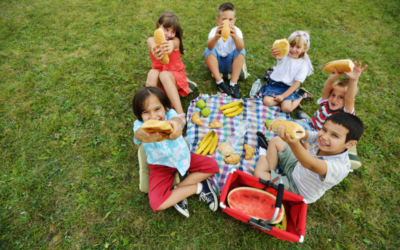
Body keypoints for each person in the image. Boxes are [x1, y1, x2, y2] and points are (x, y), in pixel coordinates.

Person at [132, 86, 219, 218]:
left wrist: (176, 126)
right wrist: (141, 134)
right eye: (146, 112)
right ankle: (198, 188)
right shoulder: (139, 126)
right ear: (139, 115)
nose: (153, 116)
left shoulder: (170, 115)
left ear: (165, 107)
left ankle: (177, 191)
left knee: (213, 166)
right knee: (156, 203)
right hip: (160, 166)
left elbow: (177, 121)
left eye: (157, 109)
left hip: (183, 158)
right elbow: (138, 135)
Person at [254, 112, 364, 203]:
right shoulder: (320, 138)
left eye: (334, 135)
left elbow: (311, 164)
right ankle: (271, 172)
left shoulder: (339, 167)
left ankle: (263, 150)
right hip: (295, 168)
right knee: (276, 141)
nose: (324, 137)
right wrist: (282, 125)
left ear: (350, 144)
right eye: (324, 130)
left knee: (259, 174)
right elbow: (301, 133)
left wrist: (294, 143)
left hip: (297, 190)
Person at [294, 62, 368, 131]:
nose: (334, 99)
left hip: (319, 138)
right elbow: (325, 91)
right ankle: (306, 120)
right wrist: (331, 78)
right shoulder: (327, 101)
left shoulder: (345, 113)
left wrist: (354, 80)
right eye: (333, 94)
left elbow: (349, 98)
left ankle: (305, 120)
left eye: (341, 97)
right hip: (311, 125)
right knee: (285, 122)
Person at [146, 11, 188, 124]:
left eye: (173, 31)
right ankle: (149, 109)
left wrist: (169, 45)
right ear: (158, 26)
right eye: (166, 29)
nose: (169, 34)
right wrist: (155, 50)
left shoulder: (175, 41)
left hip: (174, 78)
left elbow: (173, 44)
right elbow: (152, 45)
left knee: (164, 75)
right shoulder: (151, 40)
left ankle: (180, 115)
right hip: (159, 82)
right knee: (153, 73)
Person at [261, 30, 314, 113]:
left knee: (287, 109)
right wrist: (274, 54)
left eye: (298, 47)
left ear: (304, 49)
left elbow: (296, 83)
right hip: (275, 84)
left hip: (289, 88)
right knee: (267, 102)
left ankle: (302, 95)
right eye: (291, 46)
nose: (293, 49)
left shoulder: (304, 64)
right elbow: (278, 56)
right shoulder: (284, 55)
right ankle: (287, 100)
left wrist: (283, 96)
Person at [204, 2, 245, 99]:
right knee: (208, 51)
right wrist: (215, 38)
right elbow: (209, 46)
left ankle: (233, 83)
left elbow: (240, 48)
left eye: (230, 19)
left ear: (234, 20)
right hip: (216, 65)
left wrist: (235, 38)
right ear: (218, 21)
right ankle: (220, 81)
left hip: (231, 65)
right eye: (224, 19)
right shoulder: (214, 31)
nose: (228, 22)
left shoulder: (237, 31)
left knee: (242, 51)